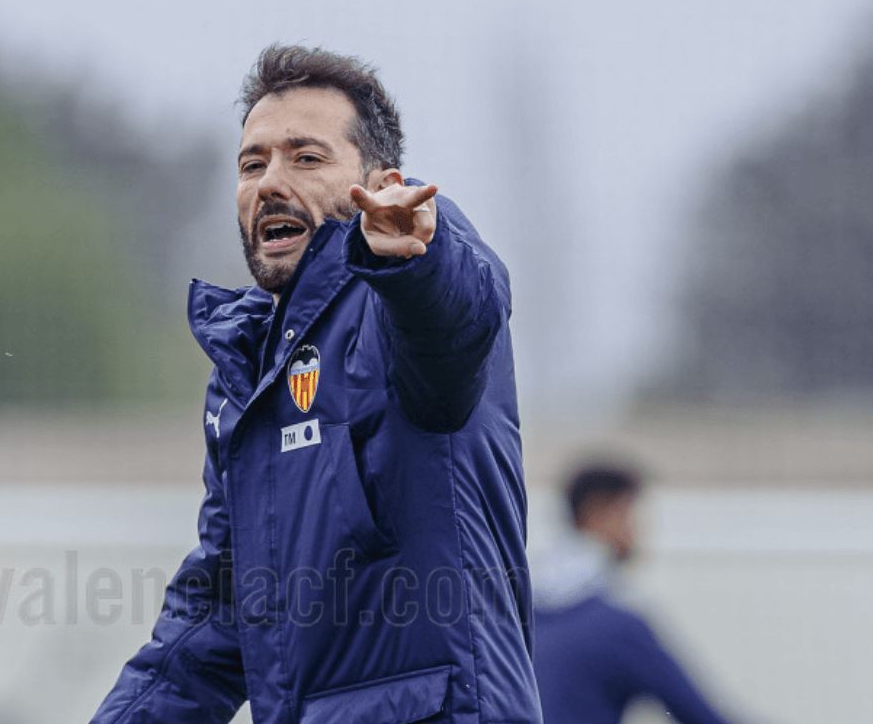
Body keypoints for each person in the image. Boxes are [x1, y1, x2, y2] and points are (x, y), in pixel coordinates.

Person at [92, 44, 540, 723]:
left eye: (306, 158)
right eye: (253, 164)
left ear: (381, 182)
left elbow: (458, 321)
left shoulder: (403, 291)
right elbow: (213, 621)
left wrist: (417, 261)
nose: (271, 182)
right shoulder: (247, 372)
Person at [532, 463, 735, 724]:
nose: (637, 530)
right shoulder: (615, 624)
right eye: (628, 515)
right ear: (598, 513)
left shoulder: (520, 612)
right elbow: (700, 715)